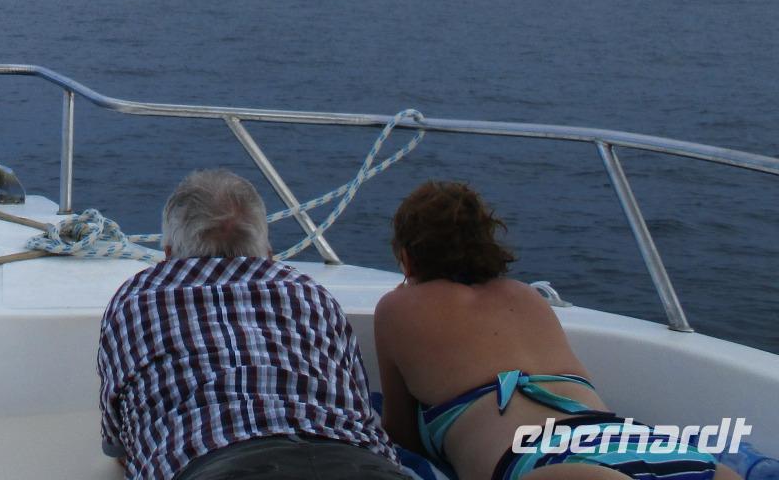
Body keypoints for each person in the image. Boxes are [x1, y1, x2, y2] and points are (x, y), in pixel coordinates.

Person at [373, 180, 737, 480]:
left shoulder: (398, 307)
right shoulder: (526, 295)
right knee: (711, 473)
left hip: (543, 459)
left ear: (407, 257)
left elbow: (401, 433)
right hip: (628, 439)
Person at [97, 168, 410, 480]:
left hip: (217, 468)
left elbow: (118, 440)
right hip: (358, 464)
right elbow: (358, 403)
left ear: (167, 255)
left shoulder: (138, 300)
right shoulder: (310, 294)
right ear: (269, 255)